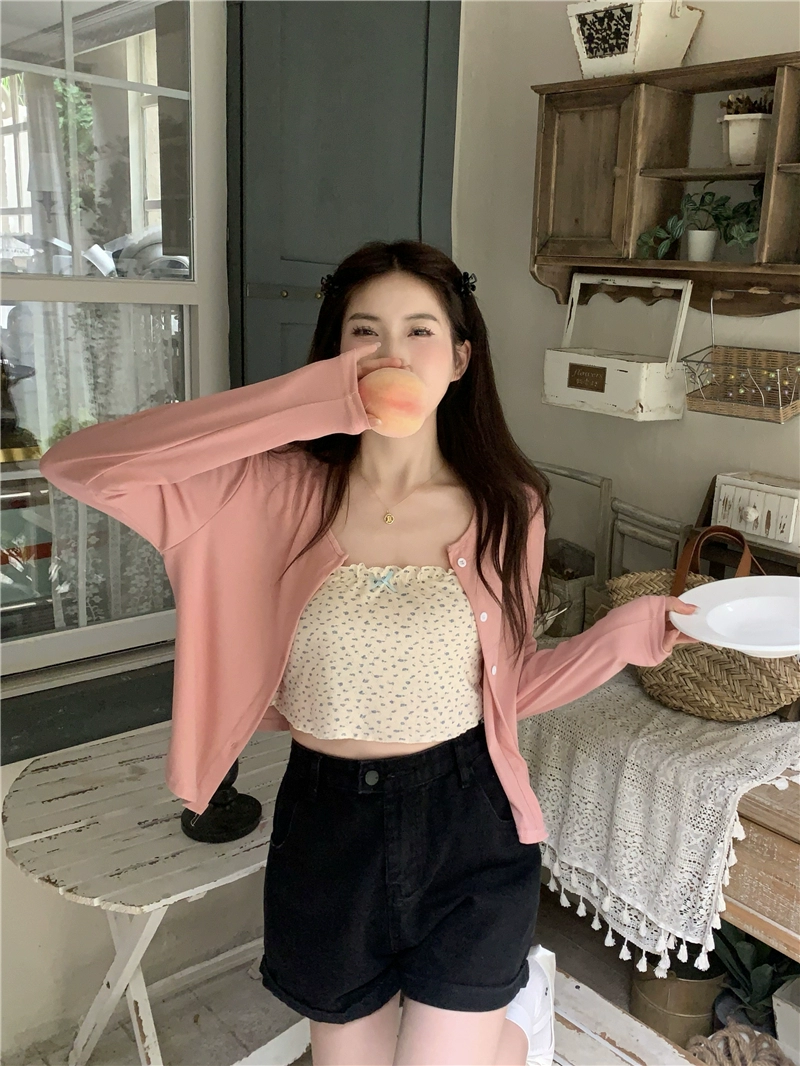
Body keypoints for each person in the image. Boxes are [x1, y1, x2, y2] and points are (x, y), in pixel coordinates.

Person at [38, 238, 697, 1066]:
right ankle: (509, 1041)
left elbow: (506, 686)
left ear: (460, 357)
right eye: (364, 333)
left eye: (420, 330)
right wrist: (311, 407)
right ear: (333, 358)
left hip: (469, 817)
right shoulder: (264, 490)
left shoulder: (509, 506)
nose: (392, 354)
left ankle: (503, 1031)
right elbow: (78, 465)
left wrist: (620, 639)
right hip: (327, 824)